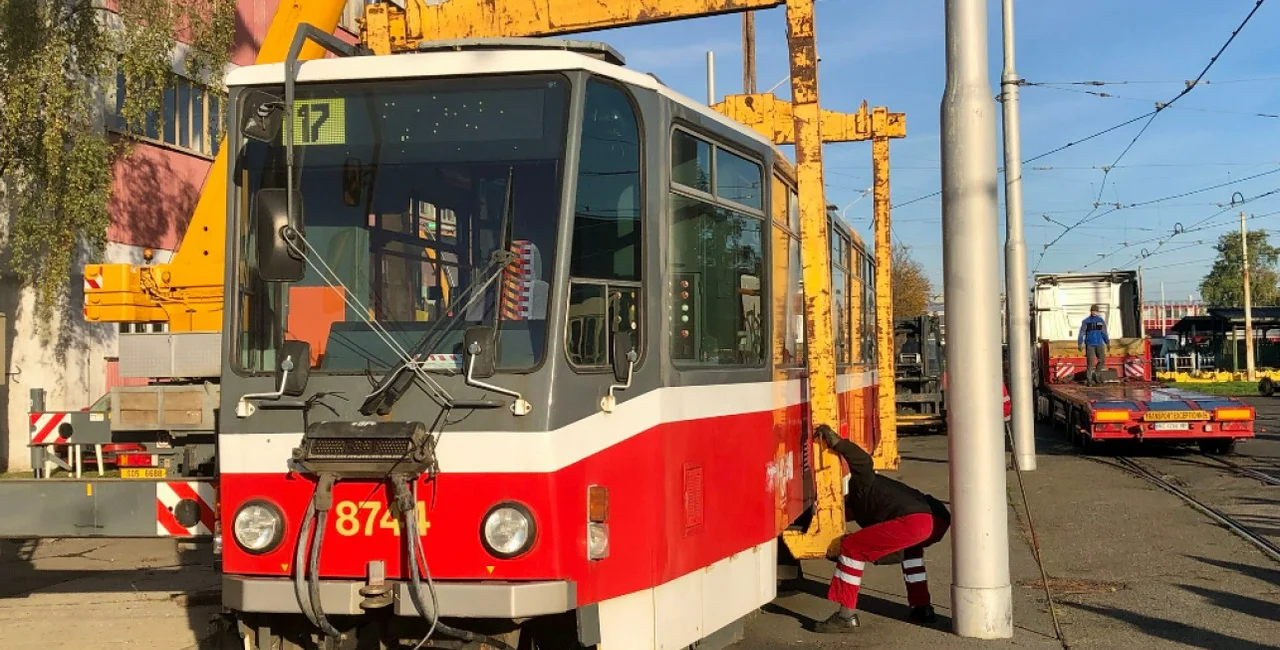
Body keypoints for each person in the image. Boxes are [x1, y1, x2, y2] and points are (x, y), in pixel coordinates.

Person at [814, 425, 952, 634]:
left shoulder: (860, 491)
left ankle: (845, 616)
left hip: (915, 520)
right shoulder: (876, 506)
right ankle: (921, 607)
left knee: (852, 547)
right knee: (911, 552)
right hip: (938, 521)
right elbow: (892, 552)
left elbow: (863, 462)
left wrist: (838, 443)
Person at [1078, 304, 1111, 385]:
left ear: (1097, 312)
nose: (1094, 312)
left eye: (1096, 311)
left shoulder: (1100, 321)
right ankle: (1089, 380)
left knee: (1102, 360)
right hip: (1090, 344)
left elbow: (1103, 333)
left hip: (1099, 344)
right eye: (1093, 310)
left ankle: (1097, 374)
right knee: (1090, 363)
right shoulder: (1086, 321)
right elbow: (1081, 333)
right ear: (1091, 311)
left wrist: (1107, 342)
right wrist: (1080, 343)